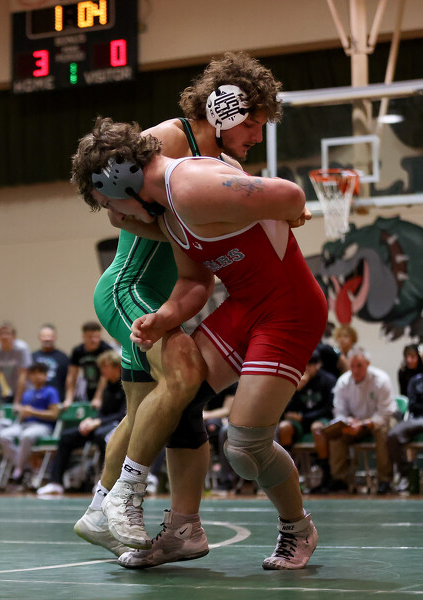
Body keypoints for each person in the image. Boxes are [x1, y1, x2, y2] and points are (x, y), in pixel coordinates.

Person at [71, 52, 297, 568]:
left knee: (154, 411)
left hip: (163, 295)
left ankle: (110, 513)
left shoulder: (222, 165)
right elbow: (111, 205)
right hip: (129, 288)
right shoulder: (169, 139)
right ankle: (121, 500)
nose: (258, 136)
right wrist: (180, 231)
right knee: (184, 373)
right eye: (253, 124)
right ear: (224, 108)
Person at [37, 350, 126, 496]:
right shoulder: (107, 386)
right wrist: (90, 421)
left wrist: (98, 422)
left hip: (118, 425)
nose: (101, 370)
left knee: (102, 436)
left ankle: (104, 482)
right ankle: (55, 483)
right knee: (66, 437)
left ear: (116, 367)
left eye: (105, 366)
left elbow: (123, 414)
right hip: (101, 423)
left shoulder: (126, 385)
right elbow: (103, 411)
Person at [327, 346, 397, 494]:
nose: (355, 370)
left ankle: (385, 480)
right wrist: (347, 421)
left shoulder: (381, 380)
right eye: (352, 366)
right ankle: (340, 480)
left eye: (359, 366)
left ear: (367, 364)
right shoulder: (343, 382)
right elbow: (339, 412)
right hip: (353, 425)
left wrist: (364, 424)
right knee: (336, 433)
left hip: (376, 423)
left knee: (383, 432)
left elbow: (385, 414)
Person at [277, 350, 336, 493]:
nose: (306, 369)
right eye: (304, 365)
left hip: (319, 419)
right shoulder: (295, 379)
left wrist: (305, 418)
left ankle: (326, 475)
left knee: (317, 428)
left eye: (310, 365)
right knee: (284, 428)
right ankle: (288, 473)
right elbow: (283, 410)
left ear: (318, 365)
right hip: (299, 422)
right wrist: (295, 390)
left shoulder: (328, 380)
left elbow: (329, 409)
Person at [0, 362, 60, 483]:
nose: (37, 376)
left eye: (40, 373)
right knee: (4, 436)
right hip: (25, 424)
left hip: (43, 426)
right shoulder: (27, 393)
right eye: (33, 373)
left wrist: (33, 412)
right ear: (29, 376)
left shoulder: (51, 391)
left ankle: (19, 468)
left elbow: (54, 414)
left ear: (46, 376)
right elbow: (23, 414)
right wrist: (22, 413)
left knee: (26, 436)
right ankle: (27, 465)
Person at [389, 342, 423, 493]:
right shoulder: (415, 380)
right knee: (394, 434)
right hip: (416, 419)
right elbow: (413, 406)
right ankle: (404, 474)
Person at [0, 321, 32, 415]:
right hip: (12, 391)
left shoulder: (21, 348)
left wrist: (17, 402)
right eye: (1, 333)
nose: (4, 336)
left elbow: (23, 376)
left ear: (14, 336)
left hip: (28, 391)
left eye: (7, 333)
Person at [63, 321, 112, 408]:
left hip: (107, 389)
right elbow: (71, 376)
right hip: (89, 388)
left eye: (97, 337)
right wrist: (69, 399)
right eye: (90, 337)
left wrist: (98, 397)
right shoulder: (77, 351)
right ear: (83, 336)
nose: (94, 340)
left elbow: (105, 376)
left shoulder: (106, 349)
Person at [203, 383, 237, 490]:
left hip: (225, 419)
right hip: (207, 419)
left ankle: (226, 478)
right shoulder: (204, 383)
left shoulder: (232, 383)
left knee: (221, 430)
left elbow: (227, 410)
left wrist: (206, 415)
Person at [32, 324, 69, 403]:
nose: (47, 339)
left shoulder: (63, 357)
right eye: (44, 336)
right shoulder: (32, 357)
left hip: (58, 400)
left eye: (50, 336)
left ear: (55, 337)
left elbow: (68, 380)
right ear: (39, 337)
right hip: (36, 401)